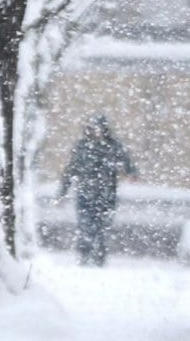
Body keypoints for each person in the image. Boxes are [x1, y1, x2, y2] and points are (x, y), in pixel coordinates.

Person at [59, 114, 137, 266]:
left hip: (106, 195)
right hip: (84, 194)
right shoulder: (82, 147)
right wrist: (62, 192)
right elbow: (71, 170)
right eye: (93, 127)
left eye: (99, 127)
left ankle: (99, 259)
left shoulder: (113, 146)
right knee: (85, 227)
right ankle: (84, 257)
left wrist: (131, 173)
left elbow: (126, 162)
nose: (96, 130)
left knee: (102, 229)